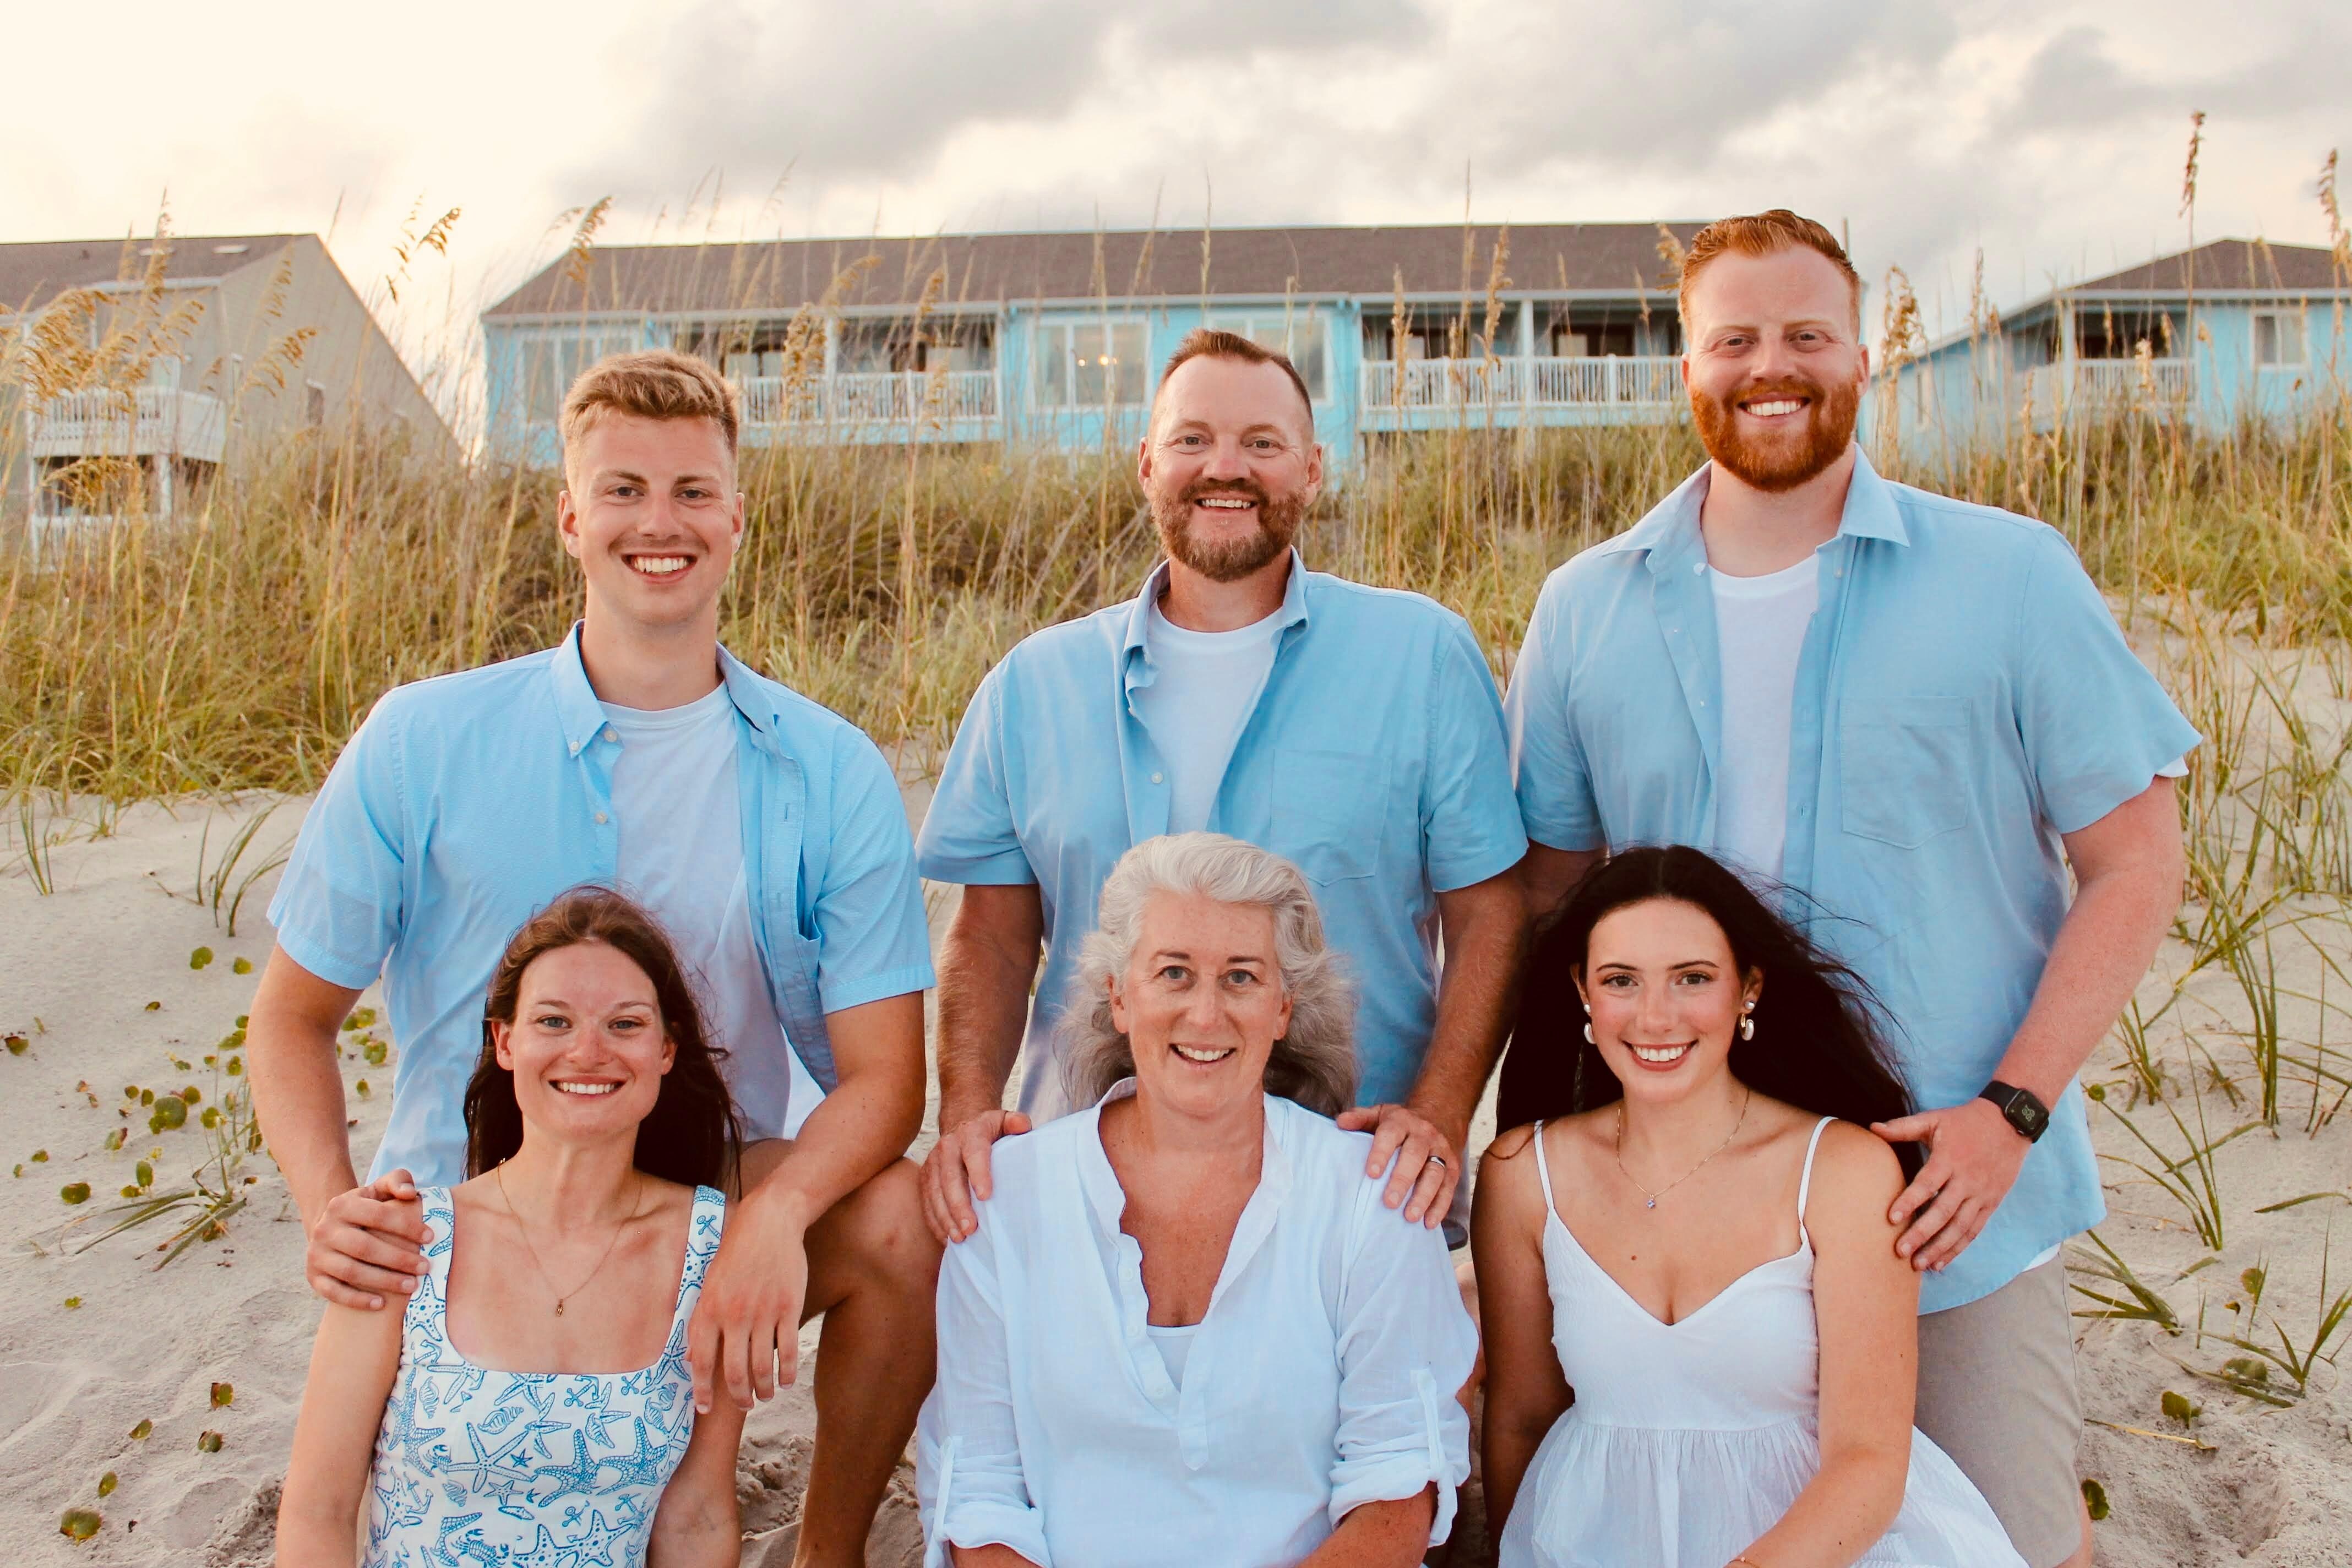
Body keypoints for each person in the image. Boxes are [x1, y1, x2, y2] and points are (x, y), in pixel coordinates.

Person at [1504, 211, 2198, 1567]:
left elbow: (2135, 858)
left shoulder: (2007, 574)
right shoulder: (1585, 606)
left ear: (1864, 355)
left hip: (1941, 1181)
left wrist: (2012, 1110)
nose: (1774, 366)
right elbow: (1542, 904)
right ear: (1686, 367)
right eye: (1737, 339)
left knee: (2007, 1537)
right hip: (1676, 1202)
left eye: (1807, 334)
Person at [247, 350, 940, 1566]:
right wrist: (331, 1209)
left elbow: (888, 1080)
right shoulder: (425, 737)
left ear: (738, 515)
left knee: (903, 1221)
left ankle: (827, 1553)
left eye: (691, 490)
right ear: (569, 515)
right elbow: (290, 1018)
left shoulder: (830, 771)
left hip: (706, 1196)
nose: (658, 523)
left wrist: (772, 1215)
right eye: (622, 489)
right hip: (464, 1201)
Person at [917, 329, 1527, 1249]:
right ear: (1146, 462)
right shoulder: (1031, 686)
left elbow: (1489, 915)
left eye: (1262, 443)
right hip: (1083, 1200)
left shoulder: (1423, 658)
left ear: (1313, 469)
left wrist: (1439, 1119)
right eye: (1193, 439)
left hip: (1352, 1192)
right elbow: (992, 937)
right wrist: (967, 1109)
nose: (1224, 468)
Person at [916, 834, 1477, 1568]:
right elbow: (978, 1495)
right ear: (1120, 997)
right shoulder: (1005, 1200)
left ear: (1284, 1007)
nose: (1206, 1016)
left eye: (1242, 978)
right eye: (1173, 973)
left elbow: (1398, 1495)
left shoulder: (1372, 1197)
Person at [1477, 846, 2027, 1568]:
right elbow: (1521, 1420)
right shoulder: (1523, 1174)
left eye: (1692, 979)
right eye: (1621, 981)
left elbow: (1868, 1458)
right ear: (1584, 992)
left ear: (1749, 989)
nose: (1655, 1016)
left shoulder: (1843, 1171)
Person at [276, 887, 749, 1565]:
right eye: (554, 1022)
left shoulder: (714, 1248)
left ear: (667, 1051)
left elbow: (697, 1516)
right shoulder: (407, 1238)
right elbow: (318, 1509)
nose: (588, 1051)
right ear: (504, 1041)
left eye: (626, 1024)